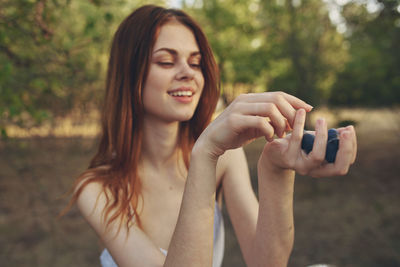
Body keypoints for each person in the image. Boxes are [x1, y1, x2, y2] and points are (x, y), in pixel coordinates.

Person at [64, 4, 357, 267]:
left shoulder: (226, 158)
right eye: (166, 61)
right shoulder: (96, 190)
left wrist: (275, 168)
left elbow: (268, 262)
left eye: (195, 63)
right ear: (129, 74)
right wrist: (204, 154)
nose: (188, 73)